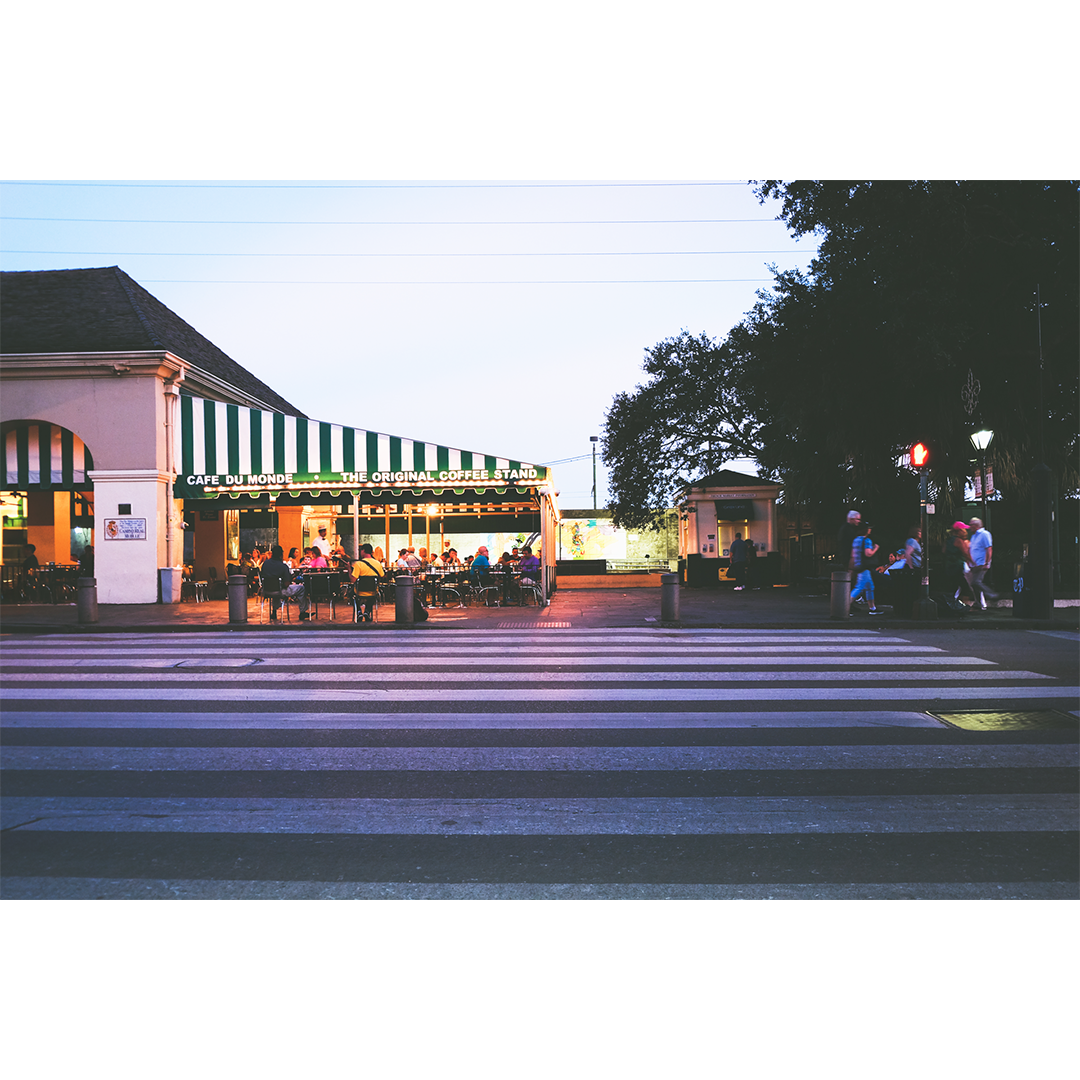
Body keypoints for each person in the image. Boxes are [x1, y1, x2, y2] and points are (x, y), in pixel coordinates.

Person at [260, 544, 311, 621]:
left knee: (276, 586)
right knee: (301, 588)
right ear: (281, 555)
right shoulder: (283, 566)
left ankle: (274, 611)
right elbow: (286, 584)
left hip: (266, 590)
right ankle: (302, 612)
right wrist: (291, 578)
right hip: (279, 591)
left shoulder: (265, 564)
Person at [966, 517, 998, 610]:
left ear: (975, 526)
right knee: (974, 584)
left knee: (976, 582)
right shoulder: (974, 536)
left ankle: (992, 595)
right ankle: (979, 603)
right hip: (975, 564)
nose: (969, 527)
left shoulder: (985, 534)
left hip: (981, 563)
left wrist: (987, 562)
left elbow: (989, 548)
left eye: (971, 525)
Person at [849, 523, 881, 614]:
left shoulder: (855, 540)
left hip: (858, 565)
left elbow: (852, 555)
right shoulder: (867, 541)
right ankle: (845, 605)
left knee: (870, 586)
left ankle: (872, 608)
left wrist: (851, 567)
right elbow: (868, 553)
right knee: (859, 587)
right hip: (865, 567)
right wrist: (875, 548)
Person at [351, 542, 383, 622]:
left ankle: (359, 612)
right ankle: (367, 611)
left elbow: (353, 580)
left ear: (363, 551)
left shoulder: (358, 564)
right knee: (374, 593)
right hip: (373, 591)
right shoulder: (377, 563)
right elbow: (382, 575)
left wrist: (349, 569)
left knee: (351, 593)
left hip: (359, 592)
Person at [942, 522, 971, 605]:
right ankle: (965, 606)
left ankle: (953, 604)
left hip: (949, 567)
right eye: (964, 530)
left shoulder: (947, 541)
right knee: (965, 587)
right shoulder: (959, 540)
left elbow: (943, 551)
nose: (965, 531)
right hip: (958, 567)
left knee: (953, 587)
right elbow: (965, 553)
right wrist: (973, 562)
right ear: (959, 531)